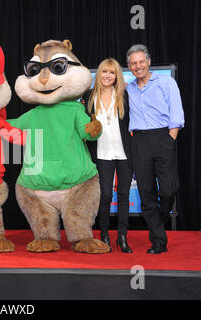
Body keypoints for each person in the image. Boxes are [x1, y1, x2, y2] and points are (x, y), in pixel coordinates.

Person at [126, 44, 184, 254]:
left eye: (141, 61)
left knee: (169, 189)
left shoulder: (166, 82)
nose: (138, 66)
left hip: (163, 138)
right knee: (146, 192)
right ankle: (159, 240)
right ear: (129, 67)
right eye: (133, 63)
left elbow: (176, 113)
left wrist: (170, 139)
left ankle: (158, 223)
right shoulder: (129, 88)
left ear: (149, 62)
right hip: (139, 141)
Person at [83, 58, 133, 253]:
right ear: (100, 74)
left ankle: (122, 236)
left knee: (123, 195)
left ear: (116, 76)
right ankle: (104, 234)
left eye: (112, 73)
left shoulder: (124, 95)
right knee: (105, 195)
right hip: (101, 154)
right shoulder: (88, 97)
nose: (108, 76)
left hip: (124, 154)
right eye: (105, 72)